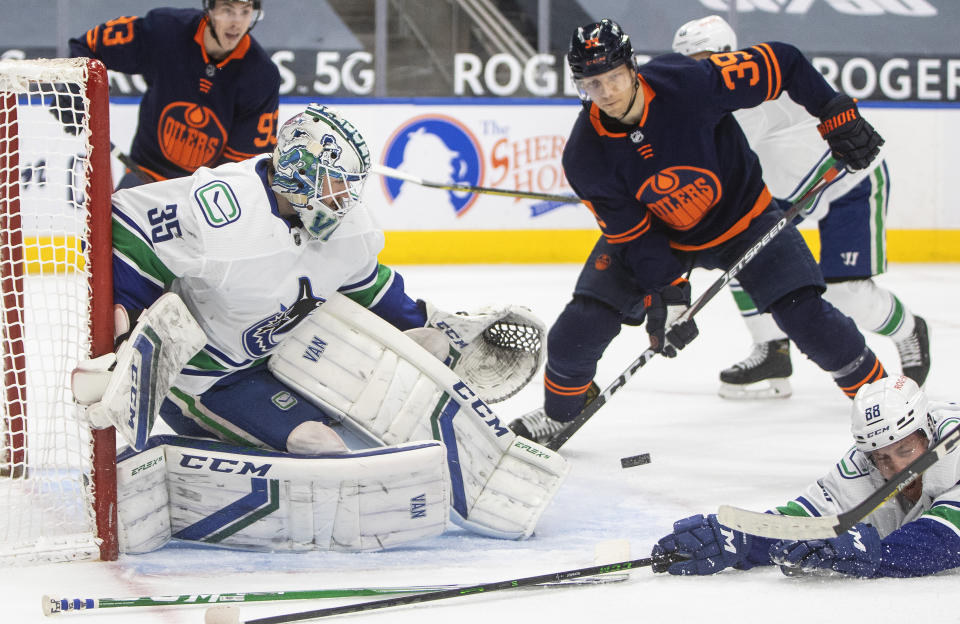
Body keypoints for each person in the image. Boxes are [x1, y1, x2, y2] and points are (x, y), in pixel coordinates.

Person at [73, 103, 564, 553]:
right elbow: (126, 230)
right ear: (297, 170)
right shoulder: (223, 207)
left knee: (350, 439)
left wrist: (434, 329)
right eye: (334, 183)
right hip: (206, 378)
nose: (344, 200)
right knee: (319, 446)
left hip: (278, 358)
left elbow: (373, 292)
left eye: (350, 186)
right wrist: (127, 331)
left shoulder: (347, 229)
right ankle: (186, 468)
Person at [510, 18, 887, 444]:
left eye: (614, 77)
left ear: (633, 67)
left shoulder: (689, 82)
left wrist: (833, 111)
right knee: (575, 332)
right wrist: (667, 293)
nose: (608, 93)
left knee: (810, 318)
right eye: (592, 85)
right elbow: (634, 236)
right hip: (661, 237)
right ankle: (562, 412)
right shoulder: (585, 155)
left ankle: (887, 407)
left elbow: (784, 62)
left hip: (743, 220)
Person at [672, 15, 930, 400]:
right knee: (743, 254)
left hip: (849, 181)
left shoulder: (747, 96)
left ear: (727, 54)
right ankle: (772, 351)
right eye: (687, 62)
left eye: (704, 59)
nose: (695, 70)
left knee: (845, 293)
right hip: (795, 188)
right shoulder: (710, 99)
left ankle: (908, 329)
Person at [651, 375, 960, 578]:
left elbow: (945, 541)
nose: (896, 470)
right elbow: (805, 521)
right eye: (882, 458)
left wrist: (872, 550)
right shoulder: (861, 465)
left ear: (928, 432)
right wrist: (743, 536)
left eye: (905, 450)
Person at [67, 0, 280, 188]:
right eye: (227, 10)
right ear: (210, 8)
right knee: (110, 232)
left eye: (245, 11)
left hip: (202, 193)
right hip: (144, 175)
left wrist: (198, 196)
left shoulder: (260, 76)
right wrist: (78, 90)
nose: (237, 22)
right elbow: (88, 46)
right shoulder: (166, 32)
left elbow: (243, 169)